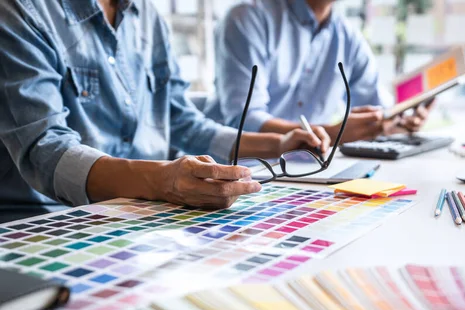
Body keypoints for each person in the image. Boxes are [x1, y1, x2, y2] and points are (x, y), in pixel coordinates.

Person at [0, 0, 330, 213]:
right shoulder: (21, 10)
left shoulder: (148, 17)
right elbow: (45, 150)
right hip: (47, 220)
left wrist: (279, 144)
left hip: (144, 212)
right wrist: (163, 181)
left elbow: (183, 121)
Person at [204, 0, 433, 144]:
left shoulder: (348, 37)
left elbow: (378, 108)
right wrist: (331, 133)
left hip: (308, 171)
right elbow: (243, 120)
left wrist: (401, 120)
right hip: (238, 170)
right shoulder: (247, 18)